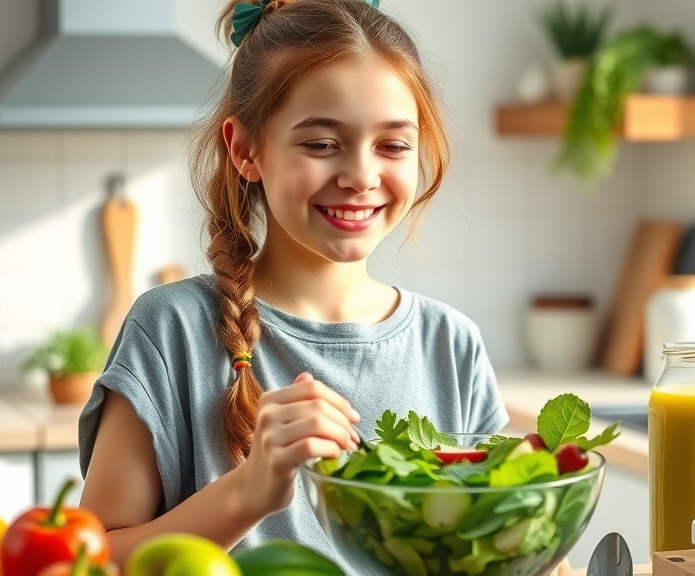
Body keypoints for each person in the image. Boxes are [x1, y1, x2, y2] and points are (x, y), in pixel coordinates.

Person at [78, 0, 571, 574]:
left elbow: (507, 546)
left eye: (392, 145)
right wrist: (247, 493)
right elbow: (90, 560)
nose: (361, 176)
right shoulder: (173, 330)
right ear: (245, 150)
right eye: (320, 144)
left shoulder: (451, 345)